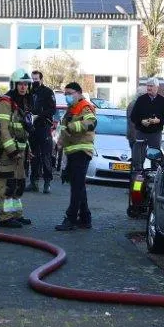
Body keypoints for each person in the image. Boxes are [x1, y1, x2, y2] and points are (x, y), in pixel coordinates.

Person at [0, 69, 34, 228]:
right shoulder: (5, 101)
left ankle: (16, 214)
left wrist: (27, 149)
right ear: (14, 85)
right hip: (7, 152)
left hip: (21, 151)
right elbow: (3, 129)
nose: (23, 87)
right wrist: (12, 151)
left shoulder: (24, 102)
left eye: (26, 84)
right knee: (7, 184)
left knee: (19, 184)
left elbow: (23, 129)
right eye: (20, 84)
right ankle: (4, 217)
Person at [55, 82, 97, 231]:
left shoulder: (84, 106)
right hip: (72, 151)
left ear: (79, 93)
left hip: (82, 151)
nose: (67, 96)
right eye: (65, 94)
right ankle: (85, 218)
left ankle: (71, 218)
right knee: (78, 185)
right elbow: (64, 128)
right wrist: (60, 142)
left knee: (77, 186)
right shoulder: (71, 109)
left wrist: (73, 127)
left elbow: (91, 122)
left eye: (70, 93)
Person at [129, 78, 164, 173]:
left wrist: (158, 121)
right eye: (147, 86)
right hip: (141, 132)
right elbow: (133, 117)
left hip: (155, 133)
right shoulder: (141, 100)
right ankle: (137, 176)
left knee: (155, 158)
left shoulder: (163, 101)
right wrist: (141, 121)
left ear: (157, 87)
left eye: (151, 86)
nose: (149, 88)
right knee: (138, 158)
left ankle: (153, 176)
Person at [26, 70, 56, 194]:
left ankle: (47, 183)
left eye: (36, 79)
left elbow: (52, 110)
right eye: (32, 79)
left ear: (41, 79)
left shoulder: (48, 92)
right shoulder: (29, 92)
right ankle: (34, 182)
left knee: (46, 156)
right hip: (32, 128)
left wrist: (39, 115)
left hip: (43, 127)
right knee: (33, 156)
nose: (34, 81)